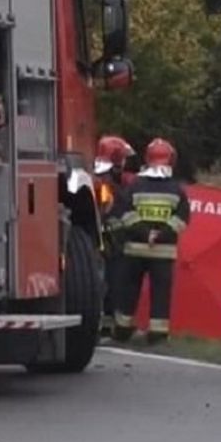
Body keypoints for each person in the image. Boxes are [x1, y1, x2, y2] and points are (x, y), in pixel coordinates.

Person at [109, 138, 191, 344]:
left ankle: (122, 330)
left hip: (135, 249)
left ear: (148, 158)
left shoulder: (135, 185)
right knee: (161, 294)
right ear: (171, 160)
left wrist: (144, 234)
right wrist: (160, 235)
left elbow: (125, 214)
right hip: (163, 252)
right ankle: (157, 334)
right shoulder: (176, 189)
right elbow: (182, 219)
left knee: (128, 291)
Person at [94, 135, 136, 336]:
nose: (125, 163)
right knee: (112, 283)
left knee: (111, 284)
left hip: (110, 241)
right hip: (109, 242)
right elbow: (106, 212)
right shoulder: (105, 183)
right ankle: (109, 326)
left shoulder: (104, 178)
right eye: (123, 159)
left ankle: (107, 325)